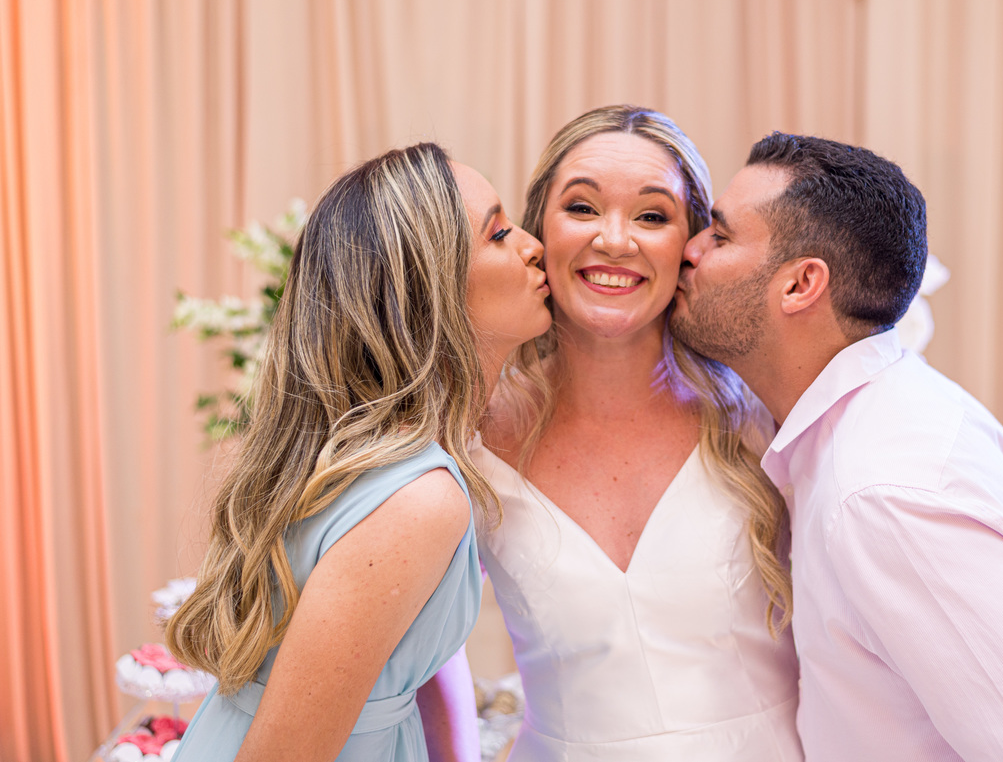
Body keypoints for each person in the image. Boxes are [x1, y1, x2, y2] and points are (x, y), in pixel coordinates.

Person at [670, 132, 1003, 761]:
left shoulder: (886, 492)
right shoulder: (862, 429)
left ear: (799, 285)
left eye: (720, 234)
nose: (689, 248)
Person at [166, 143, 552, 762]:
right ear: (429, 293)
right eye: (499, 233)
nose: (534, 245)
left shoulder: (393, 461)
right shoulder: (417, 498)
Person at [475, 105, 804, 760]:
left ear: (693, 244)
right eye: (582, 208)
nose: (615, 241)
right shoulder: (474, 433)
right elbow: (420, 650)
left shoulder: (763, 419)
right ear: (539, 229)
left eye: (652, 216)